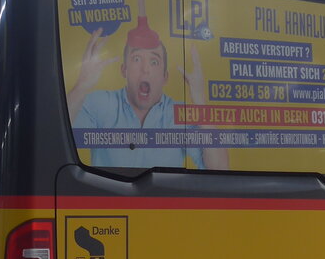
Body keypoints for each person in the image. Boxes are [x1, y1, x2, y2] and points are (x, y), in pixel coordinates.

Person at [66, 17, 228, 170]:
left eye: (154, 61)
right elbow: (53, 141)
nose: (145, 69)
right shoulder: (100, 103)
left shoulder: (180, 115)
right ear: (124, 70)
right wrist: (82, 85)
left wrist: (200, 102)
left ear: (165, 77)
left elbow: (220, 169)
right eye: (136, 59)